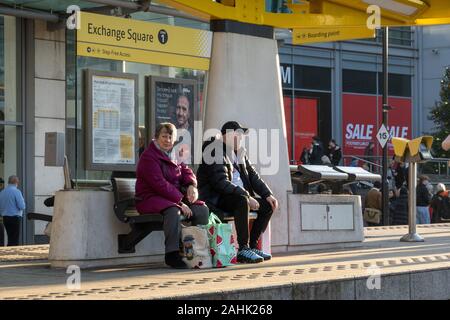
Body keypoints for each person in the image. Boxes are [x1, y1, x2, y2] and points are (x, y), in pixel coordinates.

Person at [197, 121, 278, 264]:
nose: (240, 138)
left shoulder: (240, 153)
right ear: (226, 135)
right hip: (217, 198)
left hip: (236, 195)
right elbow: (219, 182)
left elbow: (253, 176)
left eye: (241, 136)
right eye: (237, 134)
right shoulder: (214, 150)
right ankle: (243, 249)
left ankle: (252, 246)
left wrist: (267, 194)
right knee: (241, 200)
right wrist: (247, 195)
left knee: (267, 205)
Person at [135, 122, 209, 269]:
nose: (167, 140)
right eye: (164, 136)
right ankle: (172, 254)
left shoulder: (173, 154)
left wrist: (191, 186)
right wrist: (180, 202)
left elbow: (186, 170)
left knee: (202, 210)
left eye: (170, 137)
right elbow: (159, 184)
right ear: (156, 137)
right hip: (149, 198)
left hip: (170, 198)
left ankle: (197, 250)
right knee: (173, 211)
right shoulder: (148, 157)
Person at [0, 175, 26, 246]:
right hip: (15, 217)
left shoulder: (2, 192)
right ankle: (12, 254)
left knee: (10, 237)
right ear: (16, 182)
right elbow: (22, 206)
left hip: (5, 218)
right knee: (14, 239)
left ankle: (9, 252)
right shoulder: (17, 192)